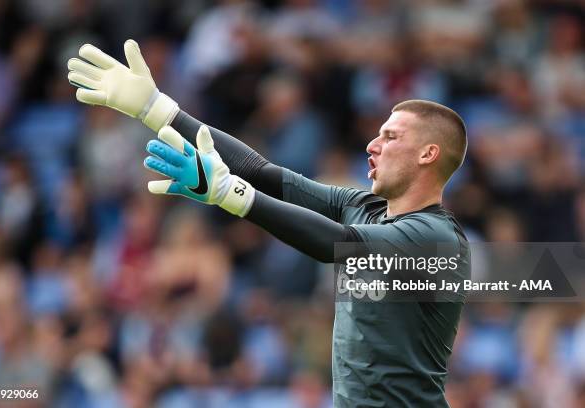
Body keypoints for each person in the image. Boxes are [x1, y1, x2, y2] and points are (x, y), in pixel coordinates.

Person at [67, 39, 471, 407]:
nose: (372, 144)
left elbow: (339, 245)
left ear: (427, 154)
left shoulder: (435, 237)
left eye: (391, 136)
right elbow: (262, 173)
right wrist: (157, 109)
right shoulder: (365, 208)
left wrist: (229, 194)